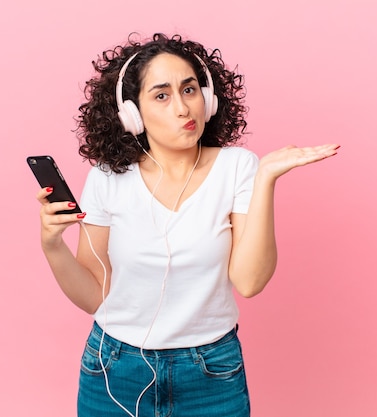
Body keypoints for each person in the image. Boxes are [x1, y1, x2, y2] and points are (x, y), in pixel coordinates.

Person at [35, 33, 338, 417]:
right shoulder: (107, 178)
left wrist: (265, 180)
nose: (183, 108)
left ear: (208, 99)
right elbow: (95, 295)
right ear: (132, 113)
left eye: (190, 89)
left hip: (211, 370)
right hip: (114, 368)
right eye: (161, 95)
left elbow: (250, 281)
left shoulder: (238, 167)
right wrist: (52, 245)